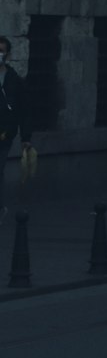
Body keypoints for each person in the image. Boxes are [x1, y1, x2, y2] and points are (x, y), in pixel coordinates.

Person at [0, 36, 32, 220]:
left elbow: (24, 110)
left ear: (8, 55)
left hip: (4, 134)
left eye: (2, 51)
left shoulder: (14, 81)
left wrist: (26, 137)